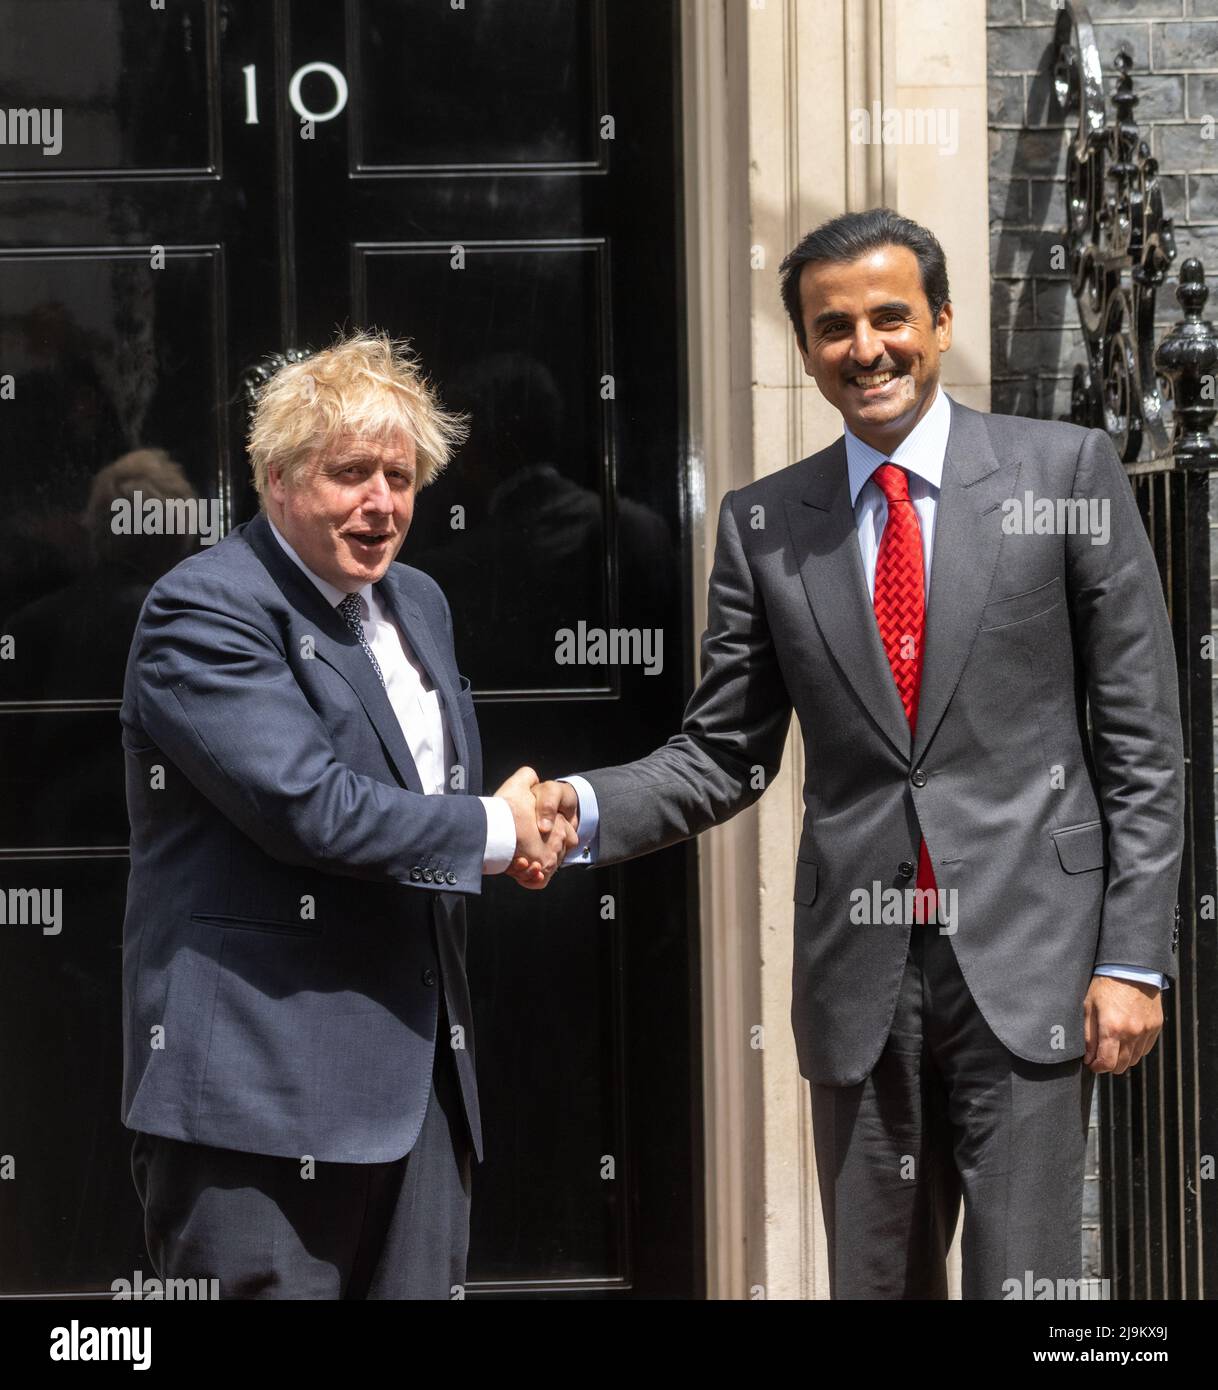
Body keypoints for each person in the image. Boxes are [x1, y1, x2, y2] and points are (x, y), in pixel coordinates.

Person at [523, 208, 1185, 1299]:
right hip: (862, 980)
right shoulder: (764, 524)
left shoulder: (1066, 474)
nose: (866, 347)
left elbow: (1142, 746)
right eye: (835, 327)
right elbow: (722, 752)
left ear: (942, 320)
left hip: (1033, 961)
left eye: (891, 317)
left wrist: (1131, 958)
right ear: (806, 350)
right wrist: (578, 808)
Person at [120, 329, 575, 1299]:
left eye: (401, 477)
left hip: (421, 1102)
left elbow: (431, 801)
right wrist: (494, 833)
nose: (383, 503)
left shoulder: (419, 600)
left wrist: (510, 826)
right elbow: (310, 806)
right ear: (277, 478)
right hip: (260, 1113)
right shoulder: (202, 609)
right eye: (351, 473)